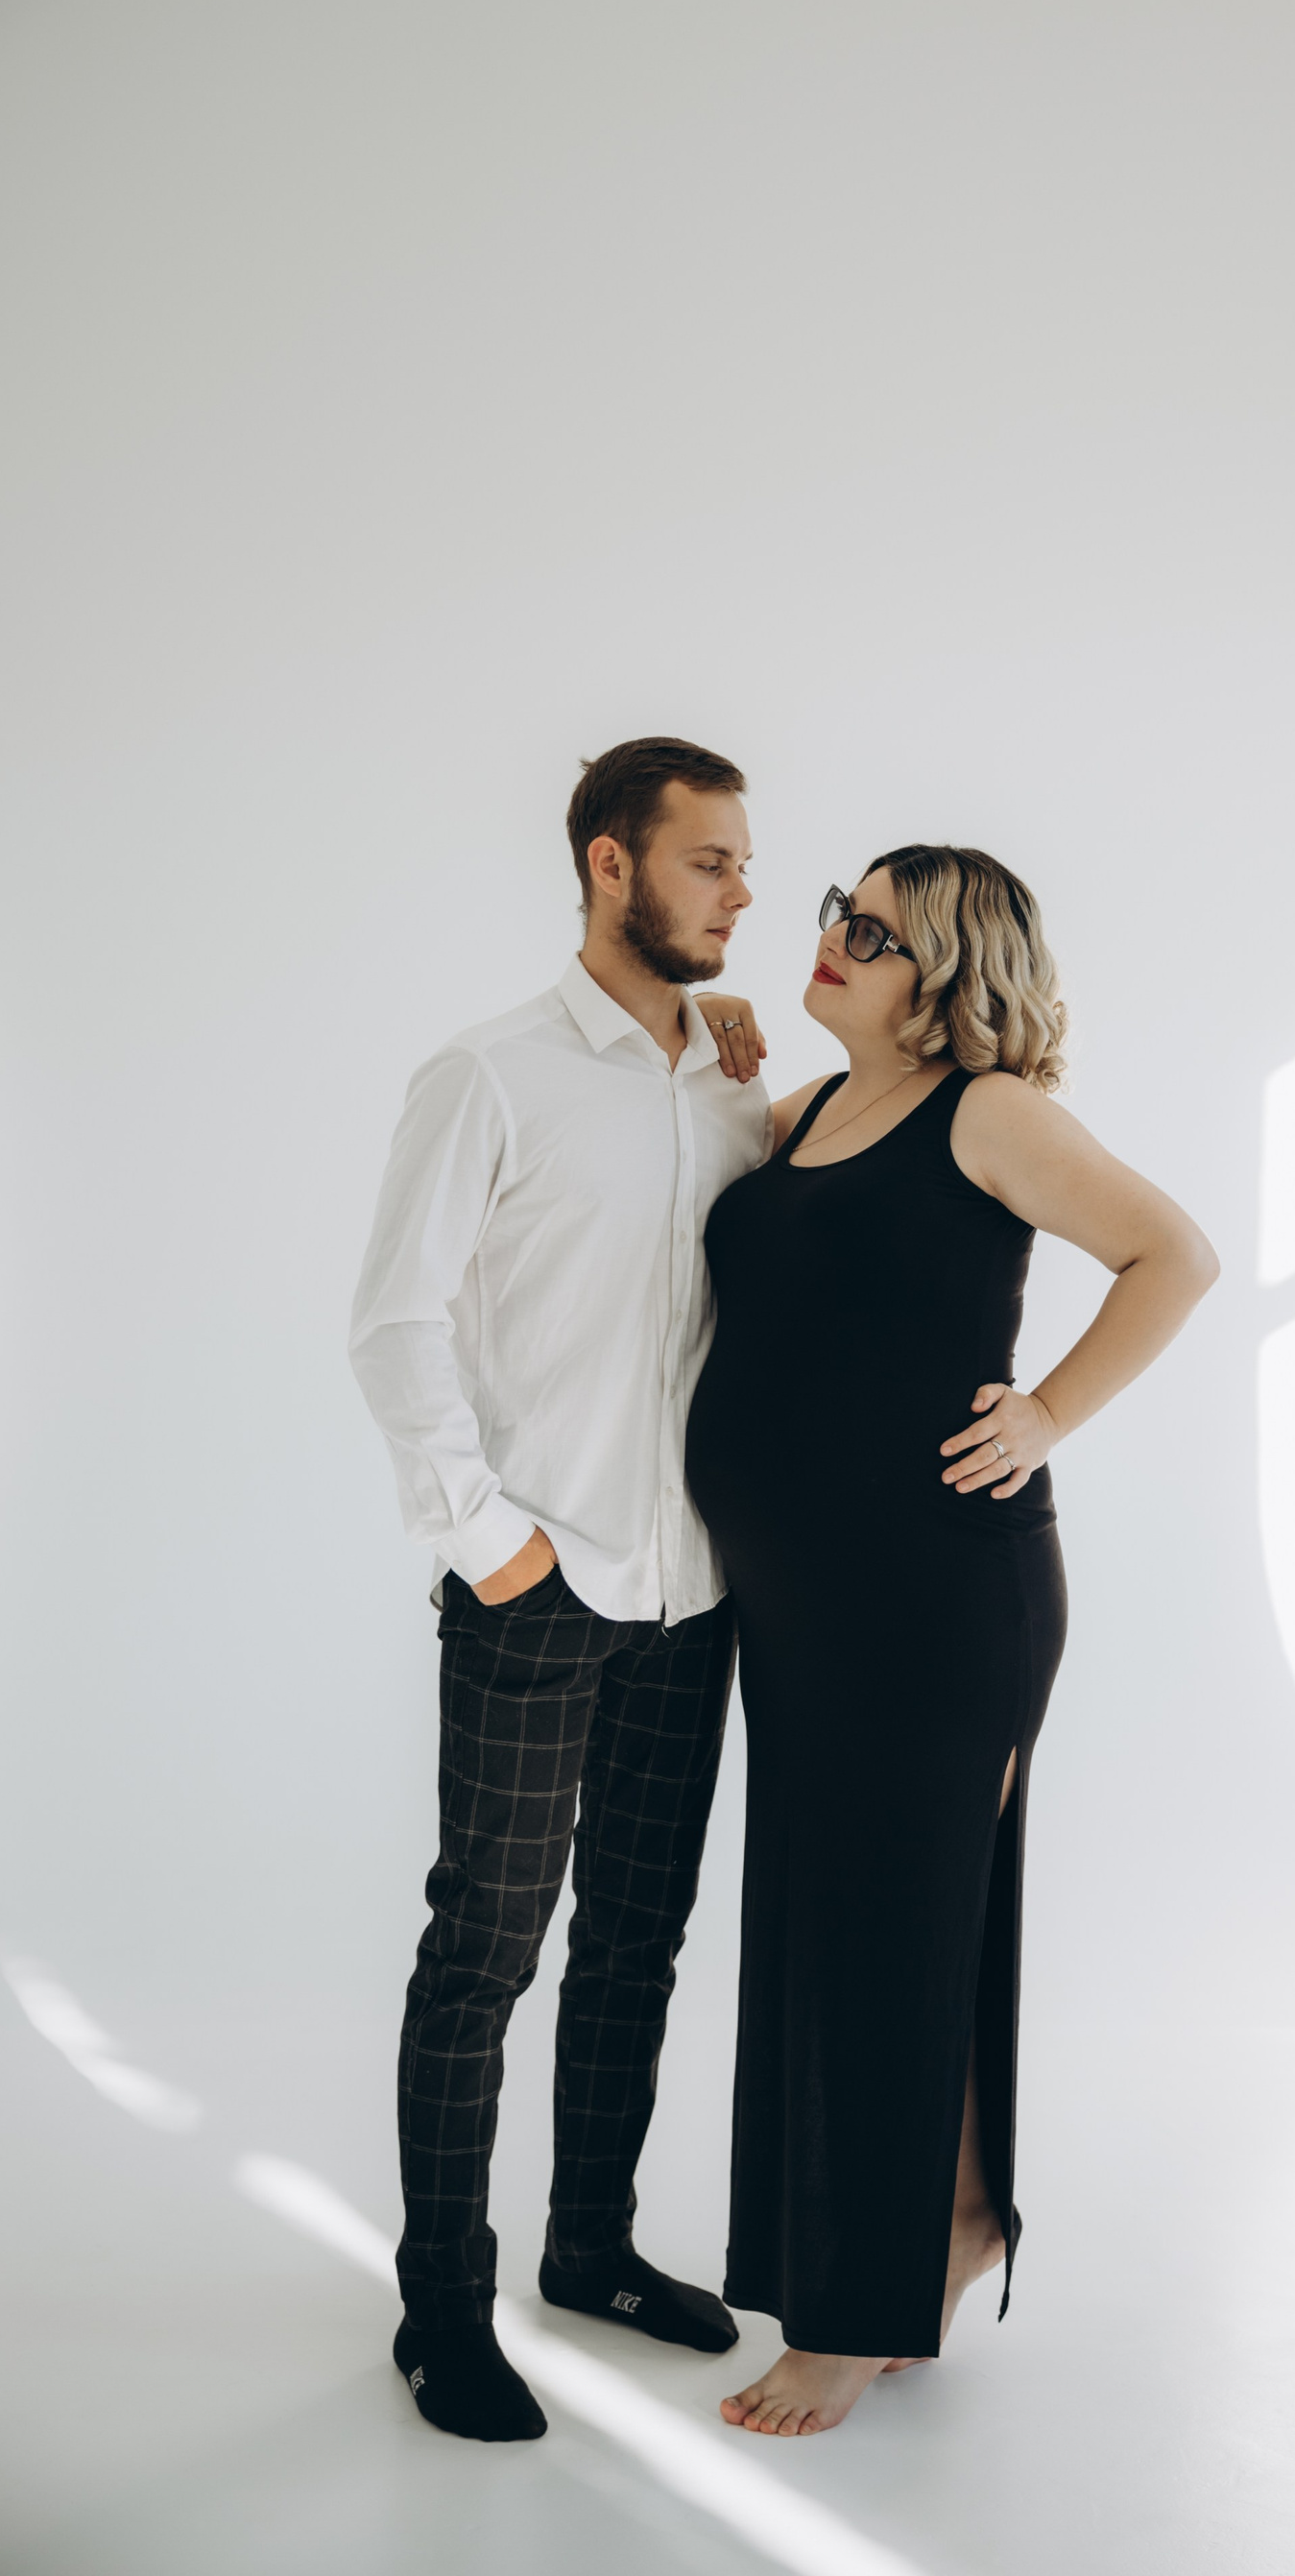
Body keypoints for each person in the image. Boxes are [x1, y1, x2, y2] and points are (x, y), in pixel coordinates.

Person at [687, 846, 1219, 2438]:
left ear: (948, 978)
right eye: (837, 914)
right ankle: (960, 2217)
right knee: (855, 1926)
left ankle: (854, 2319)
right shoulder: (799, 1116)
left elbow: (1174, 1254)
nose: (834, 941)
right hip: (801, 1602)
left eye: (876, 932)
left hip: (935, 1603)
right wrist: (710, 1051)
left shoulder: (987, 1115)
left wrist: (1047, 1413)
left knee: (888, 1936)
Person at [348, 736, 771, 2444]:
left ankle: (589, 2249)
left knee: (638, 1943)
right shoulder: (489, 1075)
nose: (742, 892)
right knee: (483, 1955)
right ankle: (442, 2312)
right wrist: (491, 1544)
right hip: (537, 1592)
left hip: (694, 1594)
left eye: (744, 863)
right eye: (710, 860)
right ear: (612, 863)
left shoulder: (734, 1084)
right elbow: (394, 1325)